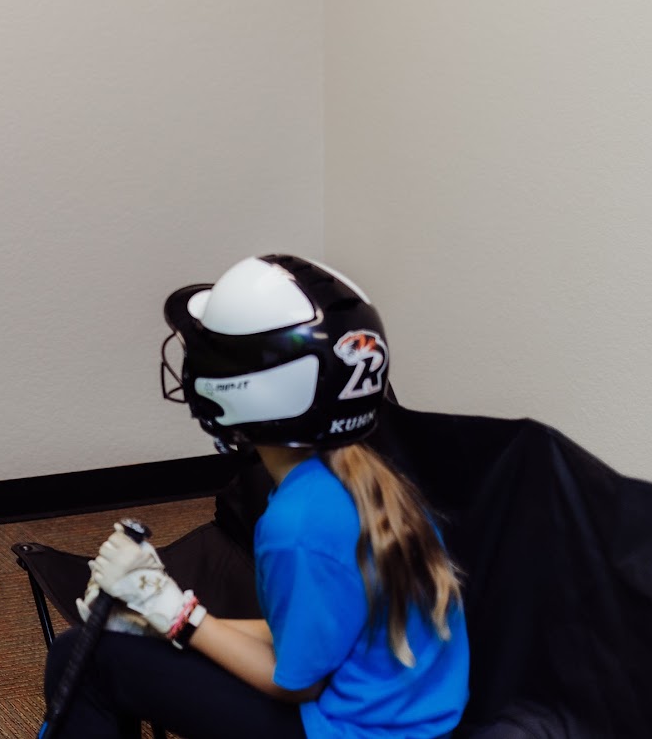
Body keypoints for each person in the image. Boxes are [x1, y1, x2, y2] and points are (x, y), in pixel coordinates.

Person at [44, 255, 470, 739]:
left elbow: (298, 685)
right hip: (417, 722)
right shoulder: (374, 480)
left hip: (348, 730)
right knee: (110, 648)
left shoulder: (296, 523)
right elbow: (312, 637)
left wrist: (176, 614)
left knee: (81, 658)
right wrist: (154, 621)